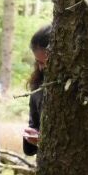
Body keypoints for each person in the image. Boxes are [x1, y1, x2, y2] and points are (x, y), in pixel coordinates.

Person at [24, 23, 52, 155]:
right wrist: (32, 137)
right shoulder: (37, 87)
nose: (41, 68)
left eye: (45, 62)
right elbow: (34, 125)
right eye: (38, 62)